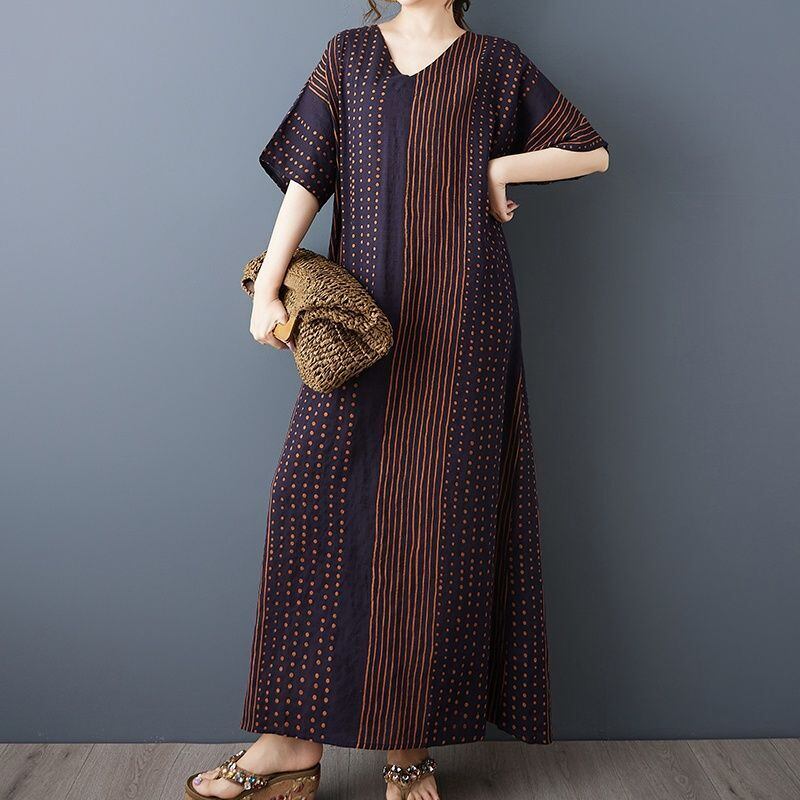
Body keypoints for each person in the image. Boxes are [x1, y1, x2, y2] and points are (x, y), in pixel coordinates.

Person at [186, 1, 609, 799]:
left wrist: (500, 169)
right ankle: (289, 746)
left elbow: (591, 152)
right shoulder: (349, 55)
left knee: (431, 526)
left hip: (464, 326)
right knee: (309, 502)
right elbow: (308, 178)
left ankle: (408, 751)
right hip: (365, 324)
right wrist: (268, 285)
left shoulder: (495, 63)